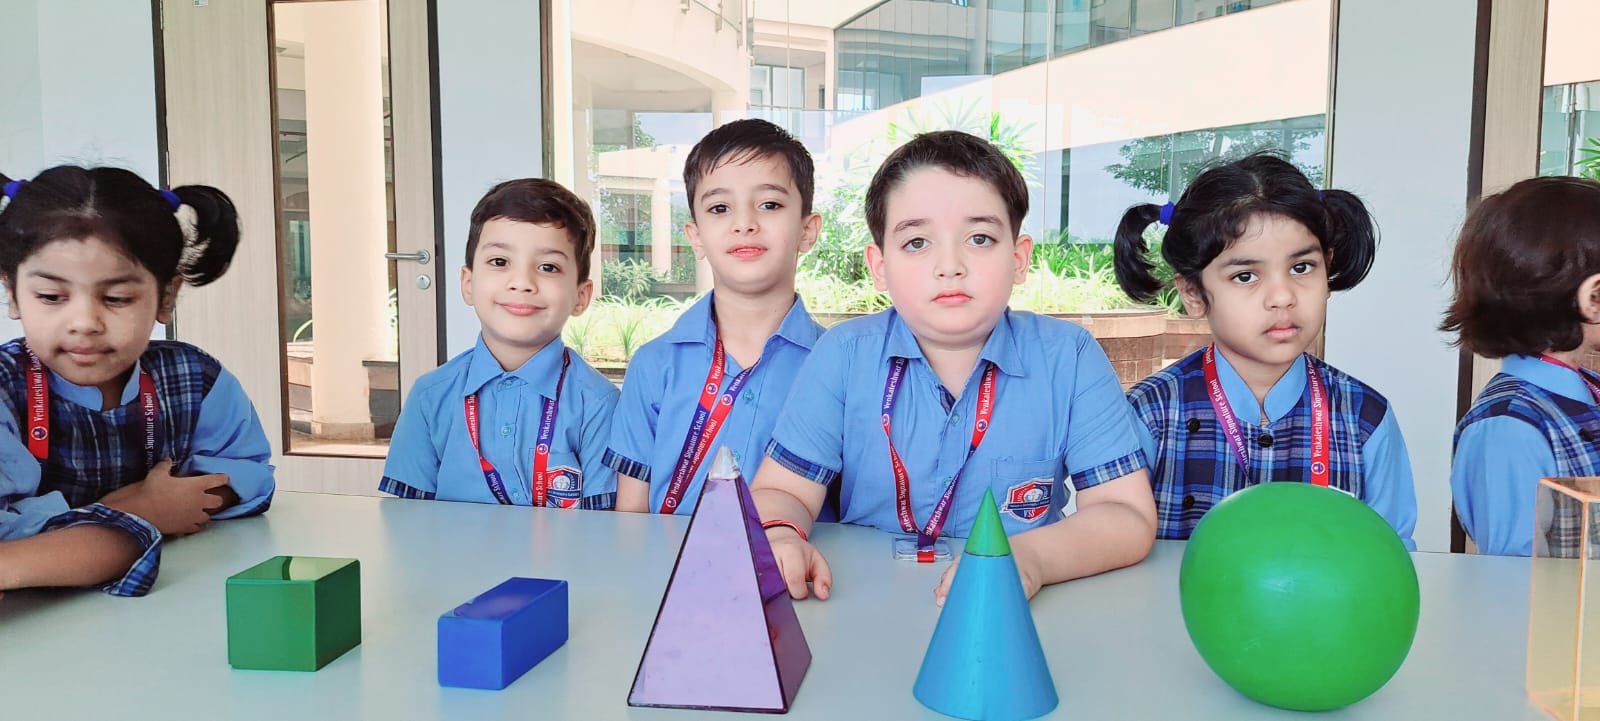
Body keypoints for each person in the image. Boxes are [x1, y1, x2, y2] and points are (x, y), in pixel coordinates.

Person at [1115, 153, 1416, 549]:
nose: (1282, 296)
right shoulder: (1148, 414)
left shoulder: (1366, 419)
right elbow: (1115, 549)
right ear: (1193, 293)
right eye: (1245, 276)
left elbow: (1391, 557)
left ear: (1327, 270)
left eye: (1302, 268)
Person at [0, 165, 273, 596]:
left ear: (166, 297)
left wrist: (187, 500)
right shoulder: (6, 388)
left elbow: (248, 473)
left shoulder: (195, 378)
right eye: (51, 297)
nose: (85, 322)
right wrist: (143, 510)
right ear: (13, 294)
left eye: (117, 298)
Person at [379, 178, 617, 509]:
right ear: (468, 283)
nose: (522, 282)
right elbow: (406, 520)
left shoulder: (599, 404)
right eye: (500, 262)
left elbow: (604, 528)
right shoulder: (430, 396)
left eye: (548, 267)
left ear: (580, 296)